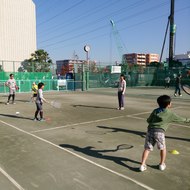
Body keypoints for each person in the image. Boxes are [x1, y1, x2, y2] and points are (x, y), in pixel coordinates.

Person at [139, 95, 190, 172]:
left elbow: (148, 120)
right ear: (168, 104)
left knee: (147, 148)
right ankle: (161, 164)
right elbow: (182, 119)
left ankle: (142, 165)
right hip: (160, 133)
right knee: (163, 148)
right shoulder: (170, 113)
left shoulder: (155, 111)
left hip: (150, 131)